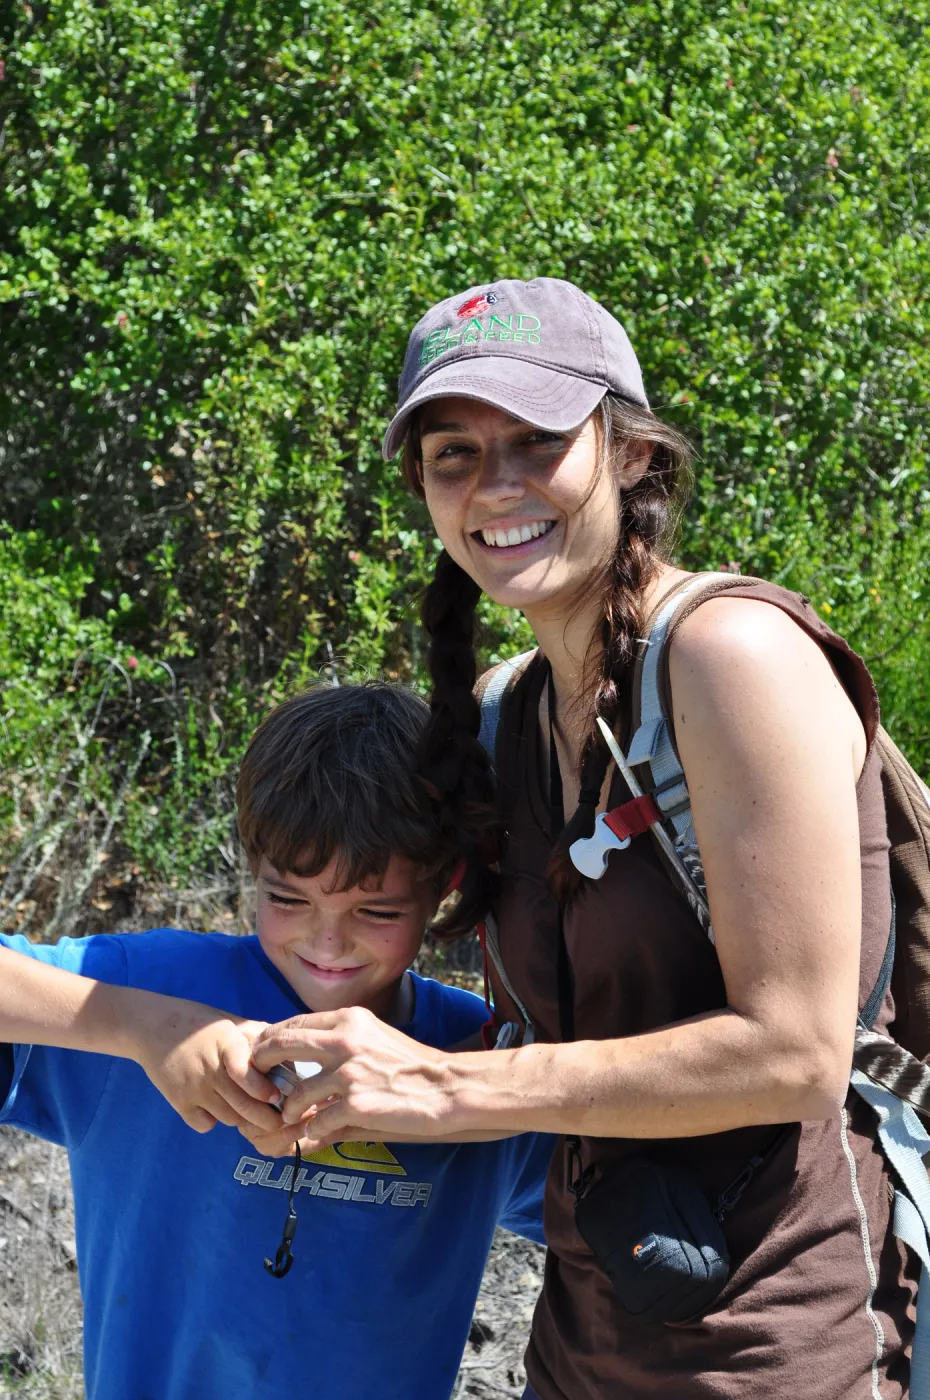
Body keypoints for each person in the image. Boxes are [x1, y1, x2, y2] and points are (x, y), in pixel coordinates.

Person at [247, 278, 914, 1399]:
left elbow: (799, 1052)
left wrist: (441, 1091)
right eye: (453, 453)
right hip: (583, 1337)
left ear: (632, 451)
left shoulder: (728, 656)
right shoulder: (511, 710)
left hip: (787, 1344)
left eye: (539, 440)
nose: (495, 485)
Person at [0, 682, 553, 1400]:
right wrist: (139, 1026)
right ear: (254, 865)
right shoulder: (151, 987)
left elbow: (617, 1221)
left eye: (376, 908)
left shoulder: (479, 1055)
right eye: (287, 897)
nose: (327, 940)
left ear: (444, 883)